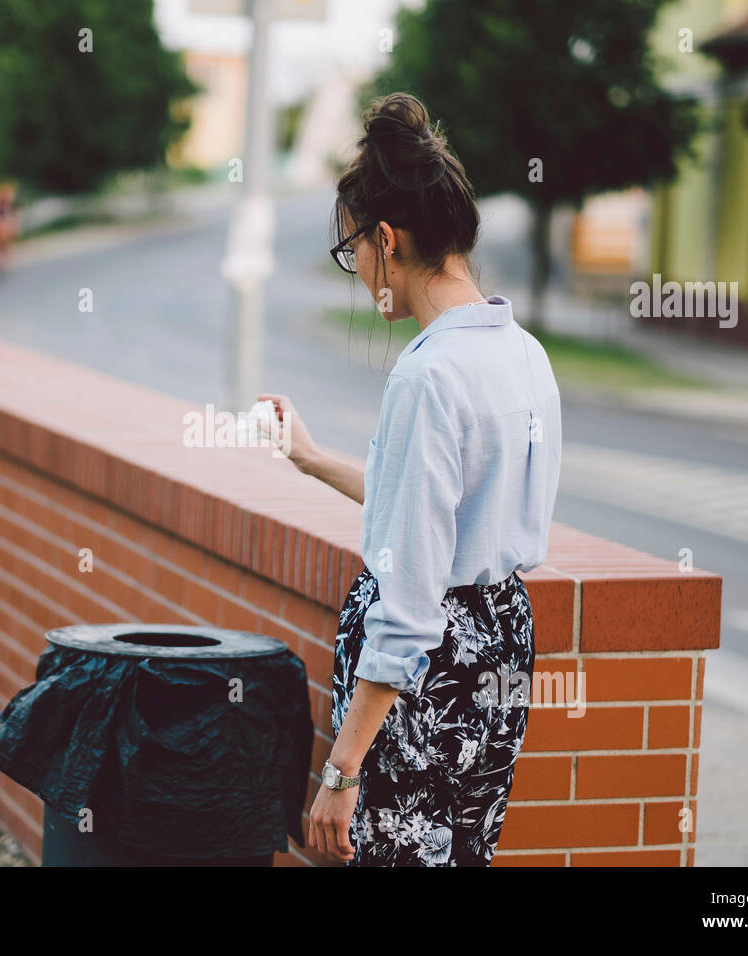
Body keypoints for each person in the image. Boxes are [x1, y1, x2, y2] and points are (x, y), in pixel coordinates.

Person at [257, 92, 561, 867]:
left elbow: (413, 596)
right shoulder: (522, 352)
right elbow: (442, 510)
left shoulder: (428, 376)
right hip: (501, 649)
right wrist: (314, 457)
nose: (356, 270)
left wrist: (340, 769)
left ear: (386, 240)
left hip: (429, 681)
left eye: (351, 249)